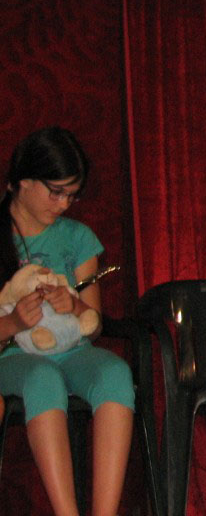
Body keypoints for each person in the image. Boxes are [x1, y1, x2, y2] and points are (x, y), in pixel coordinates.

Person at [0, 127, 134, 516]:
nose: (63, 205)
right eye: (55, 192)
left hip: (72, 349)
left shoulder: (78, 237)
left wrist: (74, 306)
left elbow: (94, 324)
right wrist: (14, 323)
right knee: (43, 378)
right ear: (23, 181)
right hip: (12, 355)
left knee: (115, 373)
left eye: (71, 195)